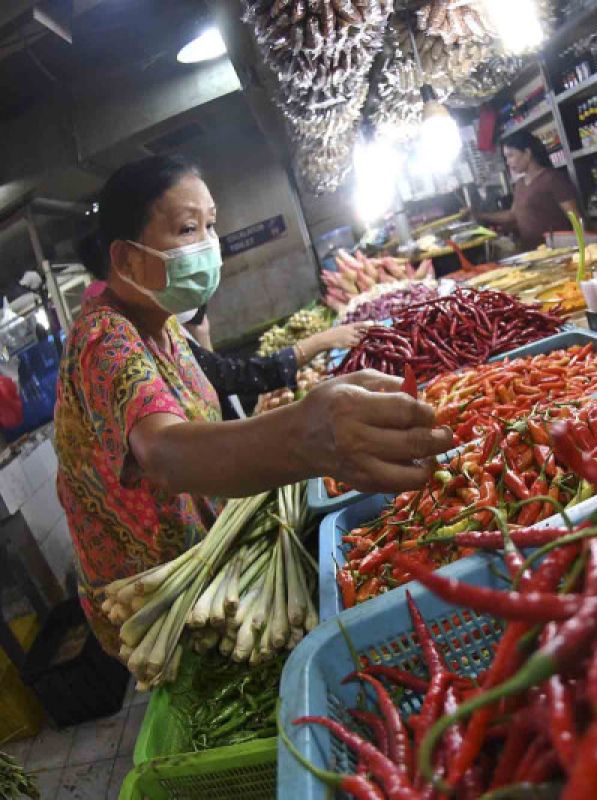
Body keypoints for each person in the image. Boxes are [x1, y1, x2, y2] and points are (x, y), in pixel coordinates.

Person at [57, 155, 453, 655]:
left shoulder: (164, 326)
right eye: (186, 228)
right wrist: (308, 435)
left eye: (211, 225)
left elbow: (218, 383)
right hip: (157, 598)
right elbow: (161, 453)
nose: (207, 245)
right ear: (127, 259)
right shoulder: (104, 339)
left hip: (213, 571)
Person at [178, 309, 370, 420]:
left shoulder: (175, 331)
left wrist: (202, 333)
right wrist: (318, 342)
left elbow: (215, 370)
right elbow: (235, 375)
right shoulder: (158, 345)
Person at [479, 131, 579, 250]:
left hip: (558, 251)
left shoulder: (552, 178)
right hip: (533, 253)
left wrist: (581, 250)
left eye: (511, 155)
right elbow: (512, 215)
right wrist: (480, 216)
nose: (508, 162)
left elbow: (576, 218)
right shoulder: (520, 184)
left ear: (527, 153)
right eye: (506, 157)